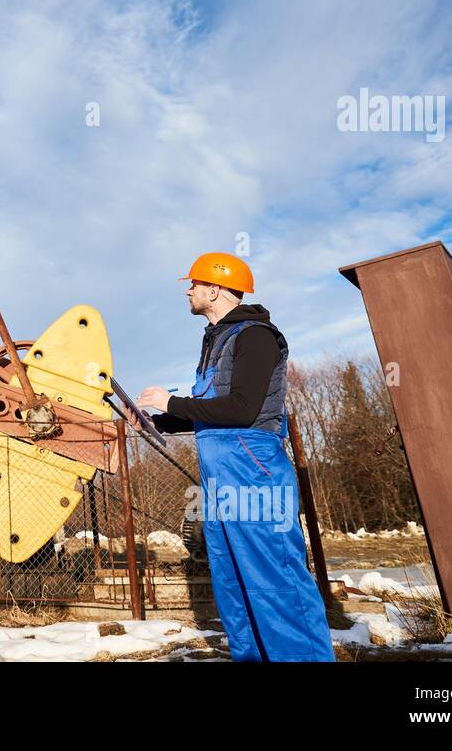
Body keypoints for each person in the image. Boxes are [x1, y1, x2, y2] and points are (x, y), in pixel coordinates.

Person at [137, 252, 334, 662]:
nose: (188, 290)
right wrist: (161, 422)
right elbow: (214, 413)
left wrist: (172, 401)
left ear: (215, 289)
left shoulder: (255, 336)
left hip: (254, 469)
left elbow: (243, 410)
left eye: (194, 284)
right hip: (221, 471)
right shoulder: (215, 340)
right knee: (232, 578)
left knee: (273, 575)